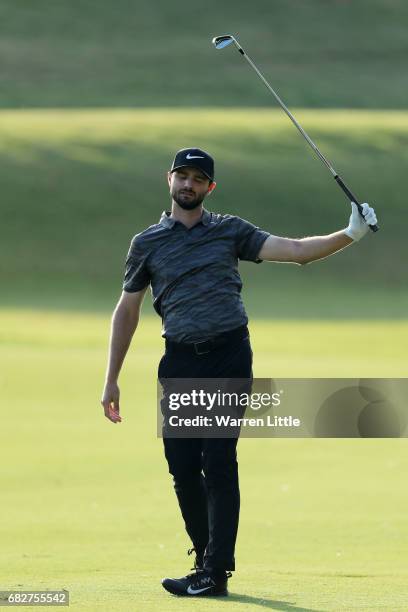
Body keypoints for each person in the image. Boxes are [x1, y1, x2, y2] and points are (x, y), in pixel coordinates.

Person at [100, 147, 378, 597]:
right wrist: (112, 377)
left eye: (197, 178)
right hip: (181, 360)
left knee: (218, 462)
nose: (188, 184)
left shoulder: (230, 231)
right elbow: (127, 310)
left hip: (229, 355)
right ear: (168, 179)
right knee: (183, 467)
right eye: (181, 175)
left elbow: (296, 251)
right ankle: (205, 559)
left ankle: (215, 571)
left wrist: (351, 233)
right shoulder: (147, 243)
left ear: (210, 187)